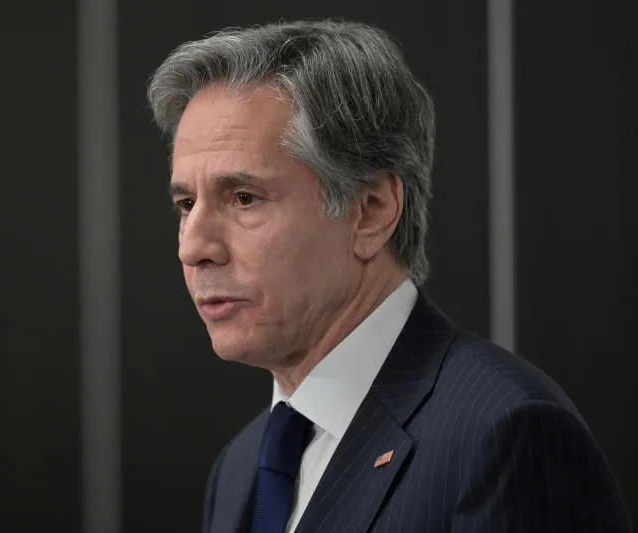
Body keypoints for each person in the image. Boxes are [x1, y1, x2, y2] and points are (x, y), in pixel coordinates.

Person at [146, 19, 632, 533]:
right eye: (186, 203)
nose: (194, 248)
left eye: (244, 198)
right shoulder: (238, 467)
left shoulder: (505, 434)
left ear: (371, 211)